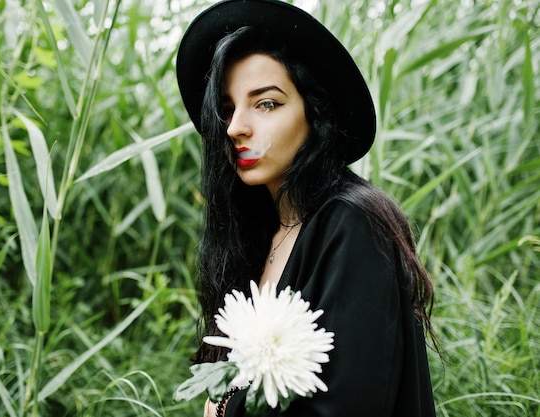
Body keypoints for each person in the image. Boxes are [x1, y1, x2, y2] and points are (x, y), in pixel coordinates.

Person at [176, 0, 437, 416]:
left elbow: (350, 405)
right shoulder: (259, 232)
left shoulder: (354, 224)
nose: (236, 127)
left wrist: (226, 410)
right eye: (227, 109)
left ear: (314, 115)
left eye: (266, 104)